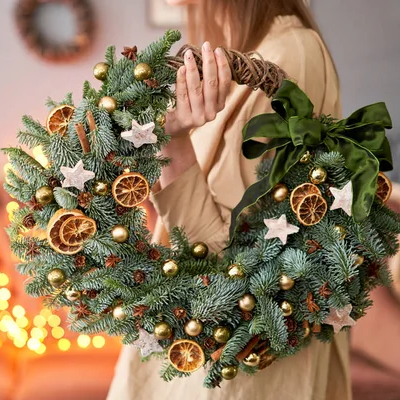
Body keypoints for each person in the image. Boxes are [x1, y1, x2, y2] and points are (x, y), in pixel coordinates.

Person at [107, 0, 347, 399]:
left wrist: (174, 141)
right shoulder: (244, 52)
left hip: (232, 366)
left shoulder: (289, 56)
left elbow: (231, 258)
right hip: (194, 347)